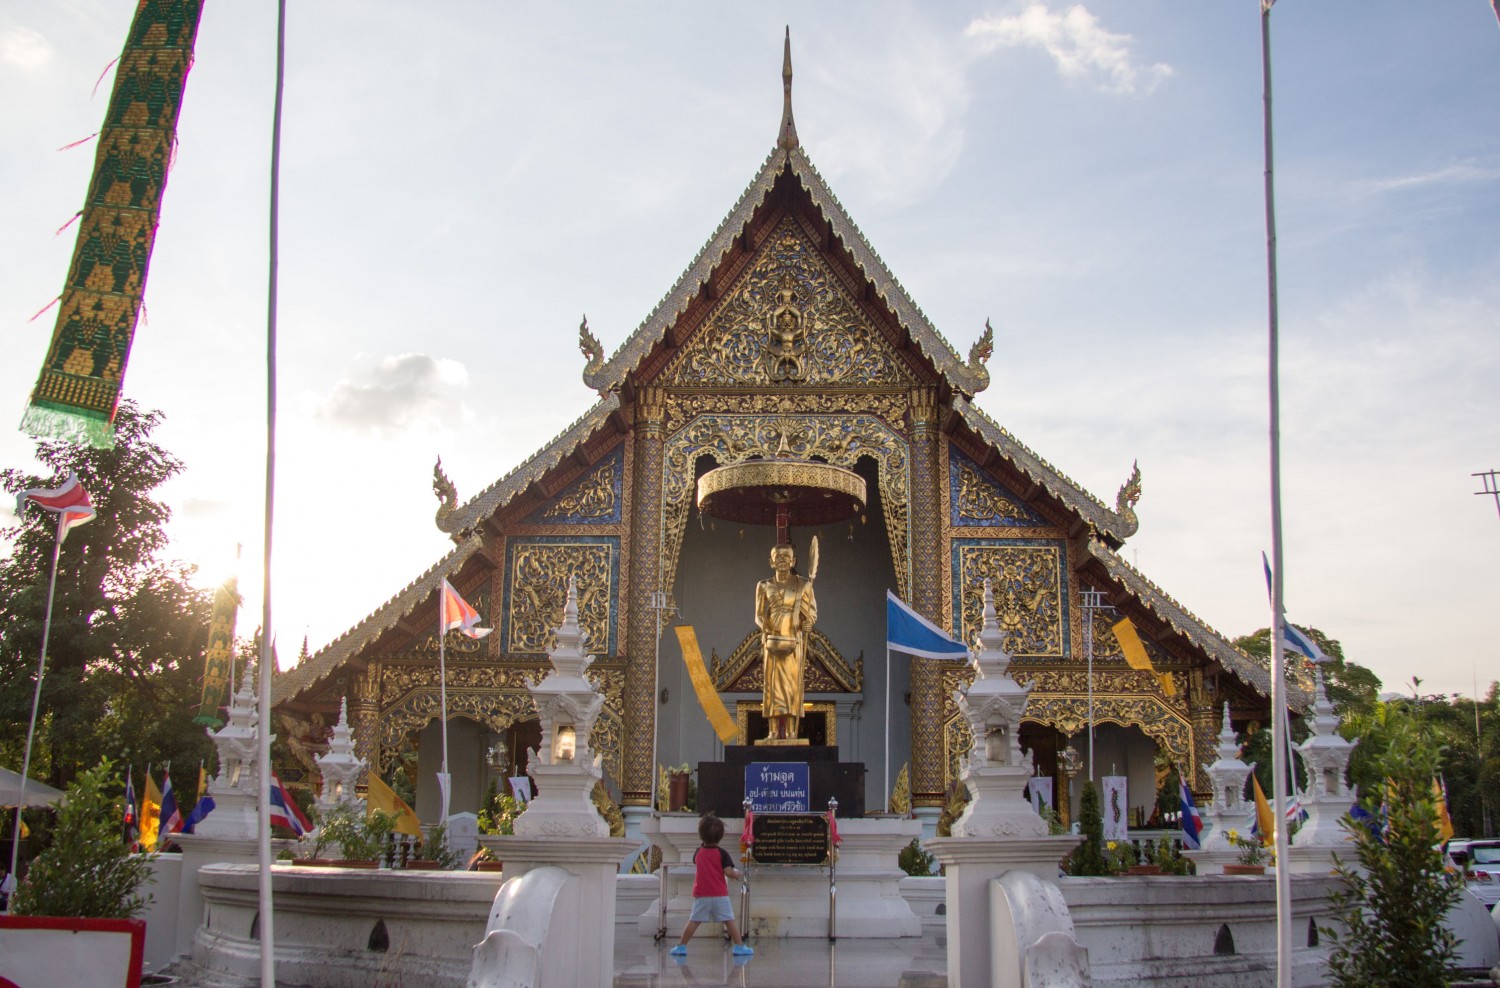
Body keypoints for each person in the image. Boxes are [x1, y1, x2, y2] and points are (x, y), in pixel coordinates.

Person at [755, 542, 817, 741]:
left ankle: (791, 733)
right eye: (778, 556)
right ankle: (772, 732)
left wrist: (808, 623)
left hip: (793, 641)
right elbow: (758, 615)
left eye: (786, 556)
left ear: (793, 561)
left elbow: (812, 612)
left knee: (792, 686)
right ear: (770, 561)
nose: (782, 560)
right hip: (772, 641)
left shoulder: (803, 584)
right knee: (772, 688)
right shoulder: (764, 585)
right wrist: (765, 627)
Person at [669, 813, 752, 957]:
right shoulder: (722, 854)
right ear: (721, 836)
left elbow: (699, 863)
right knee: (729, 921)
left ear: (701, 835)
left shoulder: (698, 853)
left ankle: (681, 946)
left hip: (701, 893)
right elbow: (728, 872)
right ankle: (739, 946)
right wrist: (736, 874)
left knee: (694, 921)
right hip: (719, 894)